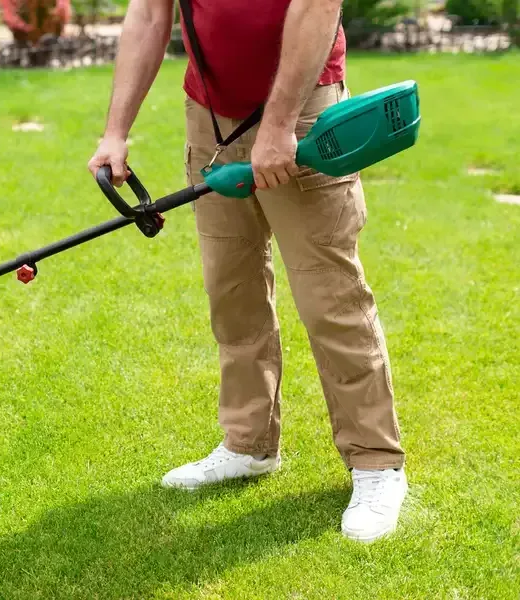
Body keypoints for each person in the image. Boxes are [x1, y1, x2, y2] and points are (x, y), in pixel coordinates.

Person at [87, 0, 408, 543]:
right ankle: (248, 444)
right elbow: (146, 14)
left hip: (303, 112)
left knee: (331, 298)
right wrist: (115, 131)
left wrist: (279, 125)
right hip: (210, 118)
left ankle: (377, 464)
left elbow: (318, 4)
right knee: (232, 293)